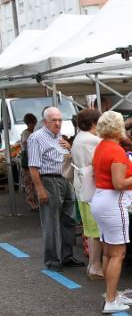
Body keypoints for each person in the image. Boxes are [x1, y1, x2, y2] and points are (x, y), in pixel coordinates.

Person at [91, 111, 132, 314]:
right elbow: (119, 183)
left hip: (100, 199)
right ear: (117, 128)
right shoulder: (116, 151)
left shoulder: (101, 147)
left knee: (108, 252)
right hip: (113, 203)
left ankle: (110, 293)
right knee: (118, 254)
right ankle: (111, 300)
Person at [28, 107, 83, 271]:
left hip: (65, 180)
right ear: (45, 122)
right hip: (49, 181)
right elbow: (33, 166)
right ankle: (52, 260)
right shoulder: (36, 138)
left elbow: (65, 157)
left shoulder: (58, 136)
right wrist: (40, 189)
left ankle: (67, 256)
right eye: (54, 120)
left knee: (69, 220)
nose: (58, 123)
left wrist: (69, 147)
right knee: (51, 223)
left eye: (60, 119)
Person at [71, 108, 104, 280]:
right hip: (91, 188)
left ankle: (93, 265)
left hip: (81, 187)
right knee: (96, 230)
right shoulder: (93, 141)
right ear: (93, 123)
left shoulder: (78, 138)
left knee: (90, 228)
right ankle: (96, 267)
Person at [20, 113, 39, 211]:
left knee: (34, 182)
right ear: (29, 123)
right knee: (29, 183)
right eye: (33, 123)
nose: (34, 124)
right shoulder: (26, 133)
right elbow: (26, 146)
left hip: (33, 160)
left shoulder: (33, 132)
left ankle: (35, 202)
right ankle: (32, 203)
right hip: (28, 161)